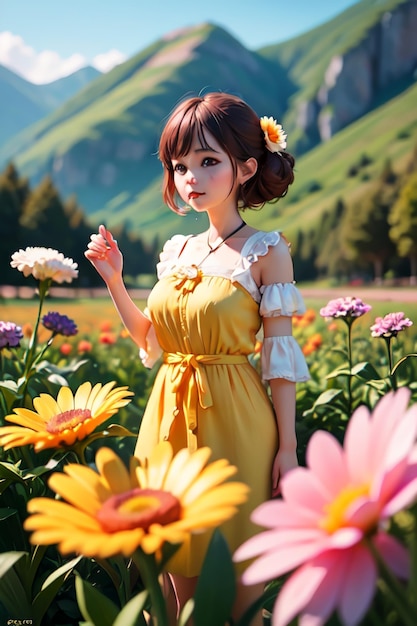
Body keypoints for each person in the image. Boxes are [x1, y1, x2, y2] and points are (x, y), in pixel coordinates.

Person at [85, 92, 310, 625]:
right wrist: (115, 280)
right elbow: (152, 339)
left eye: (209, 161)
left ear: (246, 167)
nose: (192, 177)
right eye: (180, 165)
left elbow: (279, 359)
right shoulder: (178, 250)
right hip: (166, 418)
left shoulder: (266, 250)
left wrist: (289, 448)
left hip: (236, 422)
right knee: (168, 577)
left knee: (225, 582)